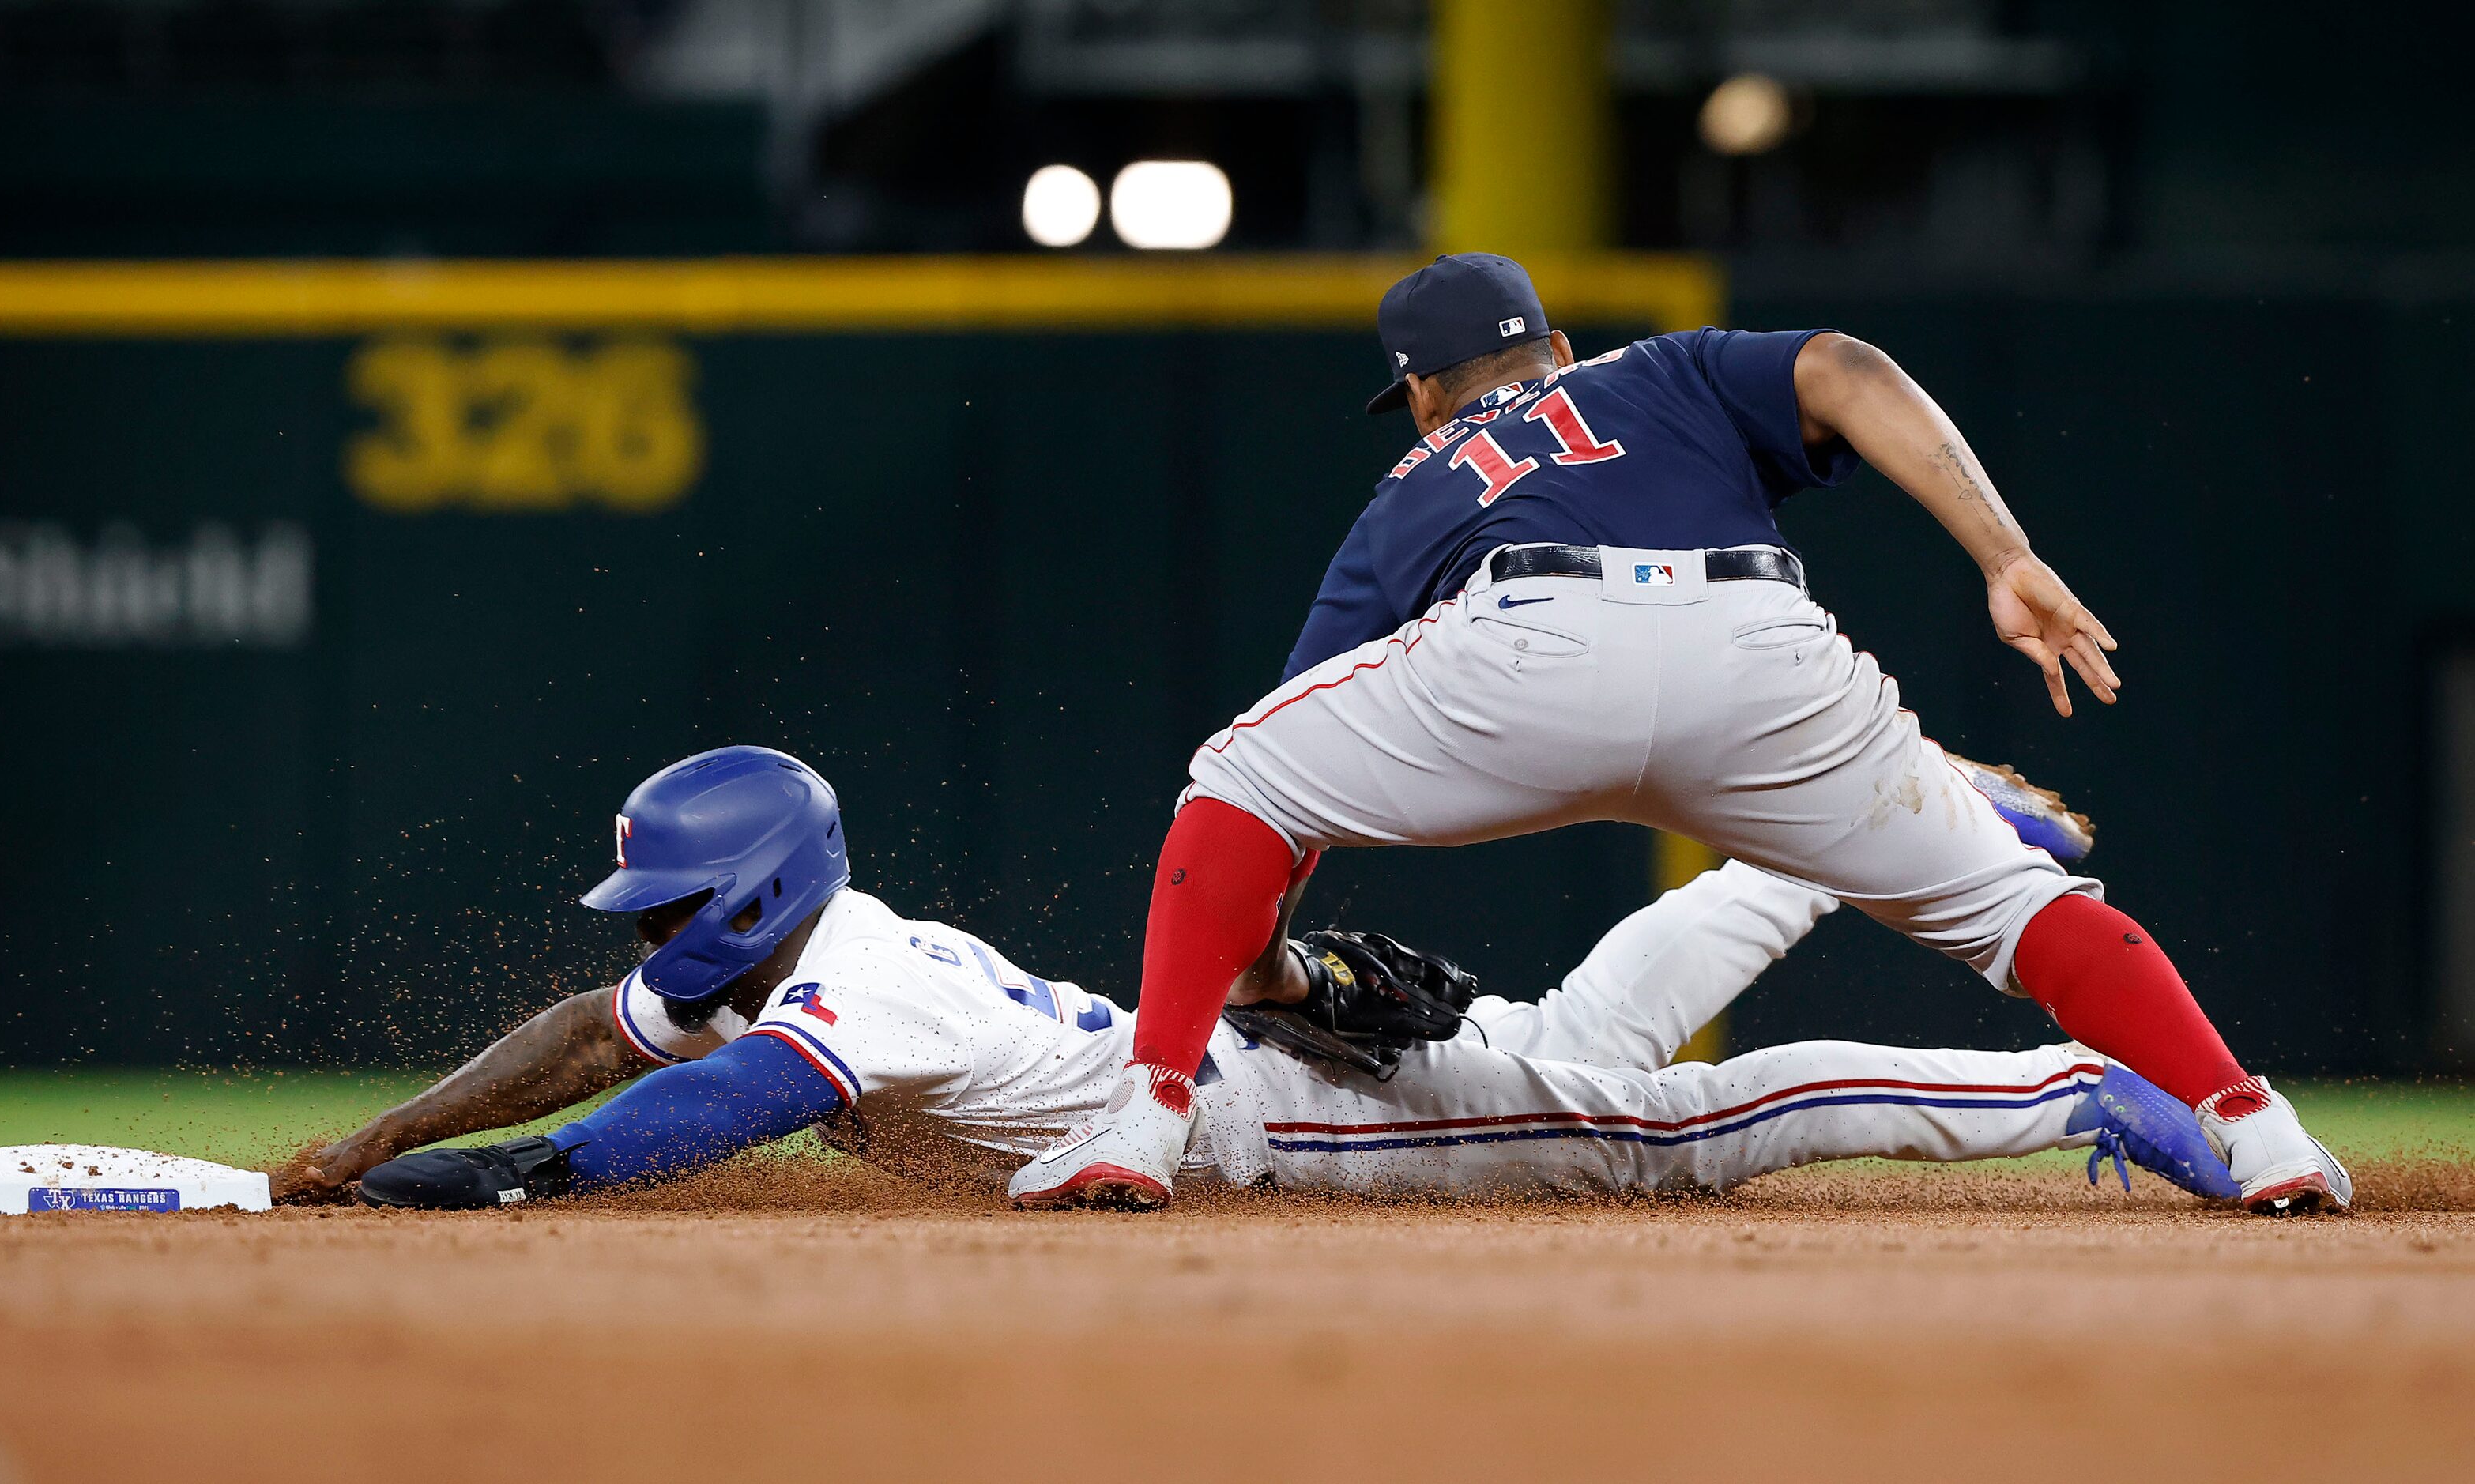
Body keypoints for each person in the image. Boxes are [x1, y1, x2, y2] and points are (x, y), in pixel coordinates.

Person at [1008, 252, 2348, 1216]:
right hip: (1759, 653)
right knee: (2019, 912)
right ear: (1556, 353)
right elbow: (1844, 365)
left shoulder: (1412, 481)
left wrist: (1262, 970)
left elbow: (1284, 781)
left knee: (1237, 773)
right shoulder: (1667, 370)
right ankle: (2258, 1126)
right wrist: (2004, 556)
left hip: (1522, 641)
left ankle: (1145, 1117)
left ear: (1421, 393)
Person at [283, 744, 2238, 1212]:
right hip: (1250, 1078)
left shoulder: (849, 998)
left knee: (1675, 1128)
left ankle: (2076, 1091)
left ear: (749, 895)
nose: (639, 947)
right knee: (1590, 1042)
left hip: (1286, 1121)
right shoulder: (796, 949)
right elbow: (586, 1036)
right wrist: (385, 1136)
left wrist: (506, 1181)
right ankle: (1898, 815)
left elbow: (700, 1110)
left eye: (656, 911)